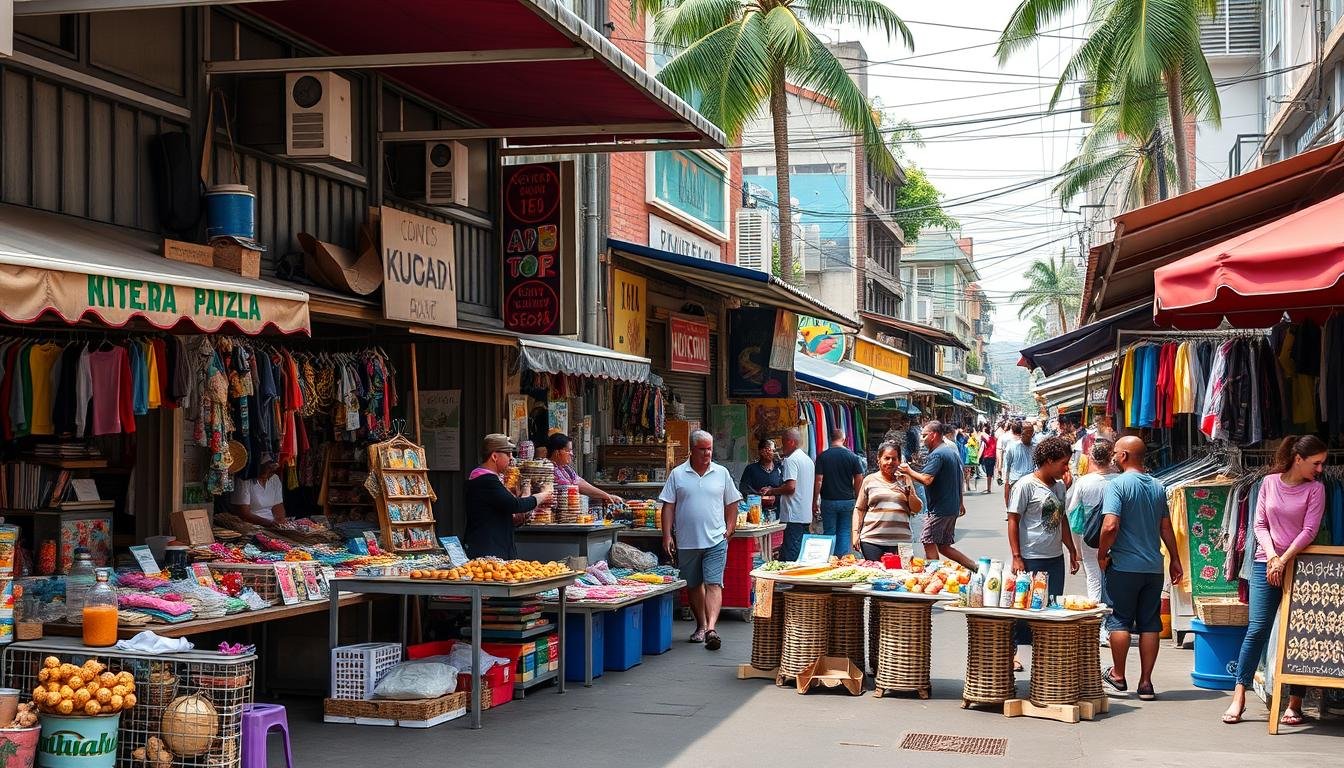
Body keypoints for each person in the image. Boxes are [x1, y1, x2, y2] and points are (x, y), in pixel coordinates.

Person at [1222, 435, 1326, 726]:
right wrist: (1271, 557)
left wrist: (1283, 559)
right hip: (1263, 562)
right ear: (1298, 458)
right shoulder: (1268, 483)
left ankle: (1295, 702)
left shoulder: (1316, 490)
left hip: (1300, 564)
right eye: (1316, 463)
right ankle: (1239, 695)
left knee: (1298, 632)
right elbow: (1259, 524)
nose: (1320, 469)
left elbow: (1309, 530)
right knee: (1257, 629)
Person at [1099, 435, 1183, 701]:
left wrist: (1102, 553)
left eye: (1115, 453)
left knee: (1120, 620)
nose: (1113, 457)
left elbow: (1110, 525)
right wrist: (1176, 560)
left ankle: (1119, 675)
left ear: (1124, 456)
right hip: (1153, 567)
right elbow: (1166, 527)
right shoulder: (1158, 486)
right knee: (1150, 624)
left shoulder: (1117, 485)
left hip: (1124, 566)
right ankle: (1146, 683)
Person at [658, 430, 742, 651]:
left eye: (710, 448)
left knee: (714, 583)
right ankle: (701, 625)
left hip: (716, 539)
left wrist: (730, 527)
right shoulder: (677, 474)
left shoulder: (721, 473)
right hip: (687, 541)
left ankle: (712, 628)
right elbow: (668, 506)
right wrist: (667, 535)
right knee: (694, 585)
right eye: (703, 449)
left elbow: (732, 502)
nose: (707, 453)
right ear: (692, 450)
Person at [1008, 436, 1081, 670]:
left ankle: (1046, 657)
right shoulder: (1025, 485)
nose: (1066, 468)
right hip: (1031, 557)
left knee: (1051, 607)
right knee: (1023, 607)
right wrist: (1017, 556)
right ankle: (1013, 653)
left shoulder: (1059, 486)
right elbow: (1013, 520)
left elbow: (1062, 519)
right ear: (1049, 461)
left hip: (1054, 558)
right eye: (1064, 463)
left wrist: (1071, 549)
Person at [900, 420, 976, 570]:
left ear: (934, 435)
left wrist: (908, 471)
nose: (922, 439)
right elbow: (958, 477)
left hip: (940, 509)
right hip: (950, 506)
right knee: (943, 546)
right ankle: (974, 566)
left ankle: (934, 574)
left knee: (928, 540)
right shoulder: (950, 452)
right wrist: (960, 502)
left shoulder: (938, 454)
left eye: (924, 436)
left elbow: (927, 479)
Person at [464, 434, 554, 559]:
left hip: (495, 548)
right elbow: (515, 505)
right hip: (487, 551)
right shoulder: (485, 480)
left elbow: (501, 508)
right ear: (494, 456)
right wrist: (542, 495)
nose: (511, 458)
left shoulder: (490, 479)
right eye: (508, 454)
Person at [1065, 437, 1118, 639]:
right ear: (1111, 457)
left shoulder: (1084, 482)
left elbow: (1072, 514)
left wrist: (1076, 548)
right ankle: (1114, 625)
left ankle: (1098, 626)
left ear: (1092, 459)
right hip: (1117, 537)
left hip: (1091, 537)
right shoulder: (1119, 481)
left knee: (1094, 579)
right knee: (1114, 579)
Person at [852, 441, 922, 560]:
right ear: (879, 460)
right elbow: (859, 509)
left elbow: (917, 508)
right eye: (886, 458)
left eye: (894, 459)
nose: (890, 462)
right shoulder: (869, 480)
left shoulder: (905, 480)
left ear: (899, 461)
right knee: (875, 574)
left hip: (901, 542)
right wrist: (855, 533)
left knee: (901, 576)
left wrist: (909, 492)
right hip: (872, 540)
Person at [816, 429, 865, 556]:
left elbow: (819, 480)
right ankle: (842, 560)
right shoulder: (852, 456)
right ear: (844, 439)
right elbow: (859, 477)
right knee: (844, 531)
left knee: (829, 532)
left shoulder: (823, 456)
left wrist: (815, 499)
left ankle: (828, 560)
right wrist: (858, 495)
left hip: (828, 500)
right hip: (847, 500)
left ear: (830, 439)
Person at [774, 428, 818, 561]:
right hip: (804, 515)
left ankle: (788, 581)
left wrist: (772, 491)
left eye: (783, 442)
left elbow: (790, 487)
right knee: (801, 554)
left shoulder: (791, 460)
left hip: (793, 516)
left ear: (791, 442)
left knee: (790, 556)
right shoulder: (808, 460)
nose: (782, 446)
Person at [547, 433, 621, 505]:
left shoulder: (566, 468)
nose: (571, 454)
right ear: (557, 452)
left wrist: (607, 496)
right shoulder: (548, 470)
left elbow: (580, 483)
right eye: (568, 450)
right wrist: (606, 496)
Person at [230, 460, 288, 526]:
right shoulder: (243, 481)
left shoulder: (275, 479)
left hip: (271, 524)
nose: (267, 472)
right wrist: (269, 523)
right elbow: (244, 514)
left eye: (270, 469)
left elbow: (278, 506)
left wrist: (280, 521)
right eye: (264, 467)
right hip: (251, 525)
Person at [738, 438, 784, 520]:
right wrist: (759, 496)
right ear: (761, 452)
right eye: (769, 450)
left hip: (779, 513)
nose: (773, 453)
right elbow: (744, 489)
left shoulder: (780, 468)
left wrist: (775, 496)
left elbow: (786, 488)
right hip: (757, 513)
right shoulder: (751, 469)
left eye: (773, 450)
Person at [1002, 422, 1036, 519]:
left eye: (1031, 431)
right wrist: (1007, 481)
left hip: (1032, 481)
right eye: (1027, 431)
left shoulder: (1036, 447)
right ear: (1021, 432)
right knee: (1016, 509)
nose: (1029, 434)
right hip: (1015, 482)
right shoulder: (1012, 447)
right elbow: (1007, 466)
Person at [979, 427, 998, 496]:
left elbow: (981, 436)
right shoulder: (995, 439)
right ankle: (989, 487)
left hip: (987, 457)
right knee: (990, 473)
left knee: (988, 474)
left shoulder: (988, 439)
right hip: (993, 457)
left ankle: (989, 488)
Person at [963, 429, 981, 493]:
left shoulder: (966, 444)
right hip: (971, 459)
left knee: (965, 473)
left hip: (966, 459)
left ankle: (966, 486)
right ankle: (968, 486)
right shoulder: (974, 442)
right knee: (968, 472)